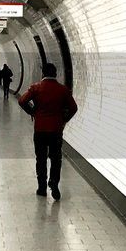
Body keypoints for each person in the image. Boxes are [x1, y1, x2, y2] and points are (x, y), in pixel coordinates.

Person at [17, 63, 78, 200]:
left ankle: (42, 187)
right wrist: (64, 119)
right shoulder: (63, 90)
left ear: (43, 74)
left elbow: (22, 101)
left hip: (40, 129)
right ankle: (54, 183)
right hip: (56, 129)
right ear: (55, 74)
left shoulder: (36, 88)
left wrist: (33, 112)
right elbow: (73, 107)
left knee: (41, 158)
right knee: (56, 159)